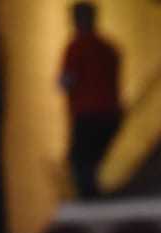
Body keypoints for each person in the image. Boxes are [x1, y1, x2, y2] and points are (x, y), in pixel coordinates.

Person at [59, 2, 121, 199]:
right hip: (110, 114)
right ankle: (92, 196)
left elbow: (67, 81)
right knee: (89, 164)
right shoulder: (108, 48)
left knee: (81, 163)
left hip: (87, 114)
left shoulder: (76, 47)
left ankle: (89, 202)